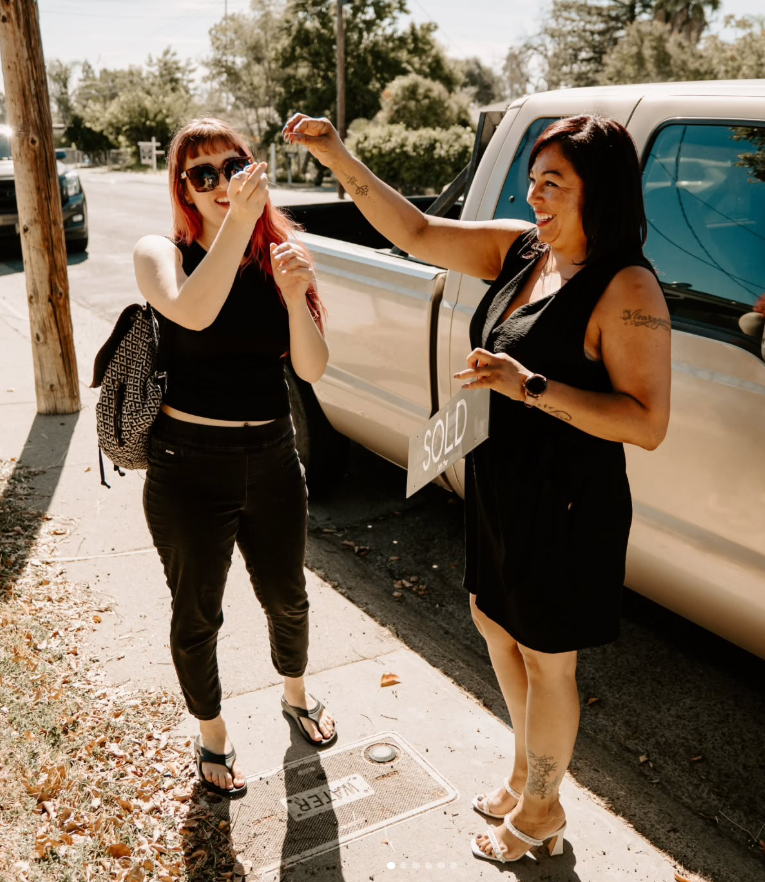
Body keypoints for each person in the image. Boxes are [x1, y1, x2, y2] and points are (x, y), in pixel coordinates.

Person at [282, 113, 671, 860]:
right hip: (500, 484)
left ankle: (541, 814)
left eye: (552, 184)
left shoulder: (625, 288)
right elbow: (419, 233)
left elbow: (645, 422)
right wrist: (335, 154)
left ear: (601, 192)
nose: (534, 197)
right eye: (531, 181)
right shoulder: (523, 251)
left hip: (567, 500)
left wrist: (528, 387)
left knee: (548, 658)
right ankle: (527, 773)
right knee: (495, 625)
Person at [133, 118, 336, 800]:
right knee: (197, 612)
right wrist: (235, 229)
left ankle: (296, 694)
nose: (221, 182)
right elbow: (192, 311)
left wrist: (292, 295)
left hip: (274, 455)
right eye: (203, 174)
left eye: (232, 165)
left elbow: (309, 369)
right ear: (184, 190)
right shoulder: (158, 250)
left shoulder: (281, 252)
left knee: (289, 596)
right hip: (189, 464)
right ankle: (212, 733)